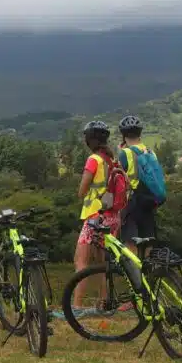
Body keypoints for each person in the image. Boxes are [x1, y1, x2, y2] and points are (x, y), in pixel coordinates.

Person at [70, 121, 121, 317]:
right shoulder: (111, 160)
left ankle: (76, 307)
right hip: (112, 217)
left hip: (95, 218)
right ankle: (103, 304)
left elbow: (81, 191)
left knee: (81, 261)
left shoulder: (93, 160)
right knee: (101, 264)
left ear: (90, 140)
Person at [117, 115, 158, 257]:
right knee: (148, 242)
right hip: (150, 201)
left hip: (133, 203)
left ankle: (134, 271)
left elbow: (118, 179)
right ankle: (148, 270)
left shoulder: (125, 153)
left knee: (131, 243)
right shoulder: (150, 152)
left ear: (123, 135)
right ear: (140, 133)